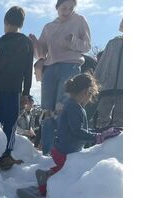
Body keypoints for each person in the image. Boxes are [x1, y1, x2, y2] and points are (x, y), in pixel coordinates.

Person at [35, 73, 120, 196]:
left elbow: (82, 129)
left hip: (65, 149)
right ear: (86, 92)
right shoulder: (73, 107)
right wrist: (97, 137)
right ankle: (46, 181)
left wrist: (101, 131)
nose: (90, 99)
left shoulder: (74, 106)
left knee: (67, 169)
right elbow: (77, 131)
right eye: (90, 95)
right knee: (70, 171)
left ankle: (48, 176)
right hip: (64, 151)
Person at [29, 0, 91, 155]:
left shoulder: (79, 20)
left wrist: (73, 41)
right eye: (64, 7)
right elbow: (41, 54)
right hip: (50, 69)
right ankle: (47, 151)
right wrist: (35, 43)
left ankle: (62, 150)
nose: (67, 11)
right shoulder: (49, 27)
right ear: (57, 7)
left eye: (71, 8)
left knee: (62, 108)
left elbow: (87, 45)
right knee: (47, 110)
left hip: (70, 66)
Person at [0, 6, 34, 170]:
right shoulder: (26, 42)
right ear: (21, 24)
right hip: (14, 90)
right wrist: (26, 93)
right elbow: (28, 70)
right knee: (10, 123)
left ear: (5, 22)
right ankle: (6, 154)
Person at [94, 20, 123, 129]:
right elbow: (103, 63)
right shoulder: (113, 43)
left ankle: (117, 144)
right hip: (107, 86)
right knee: (102, 119)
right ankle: (101, 142)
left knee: (120, 121)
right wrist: (96, 81)